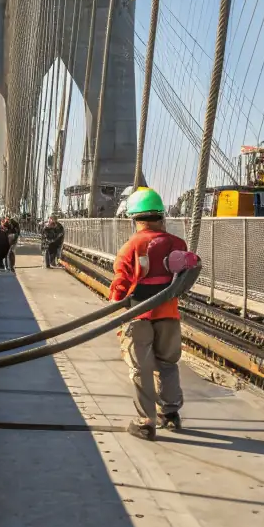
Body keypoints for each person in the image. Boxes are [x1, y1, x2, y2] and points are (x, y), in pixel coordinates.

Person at [108, 187, 192, 441]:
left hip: (139, 316)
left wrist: (114, 306)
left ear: (134, 218)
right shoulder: (178, 243)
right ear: (161, 216)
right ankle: (170, 414)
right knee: (167, 363)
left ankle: (146, 422)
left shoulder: (131, 246)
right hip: (169, 314)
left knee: (141, 368)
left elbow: (121, 283)